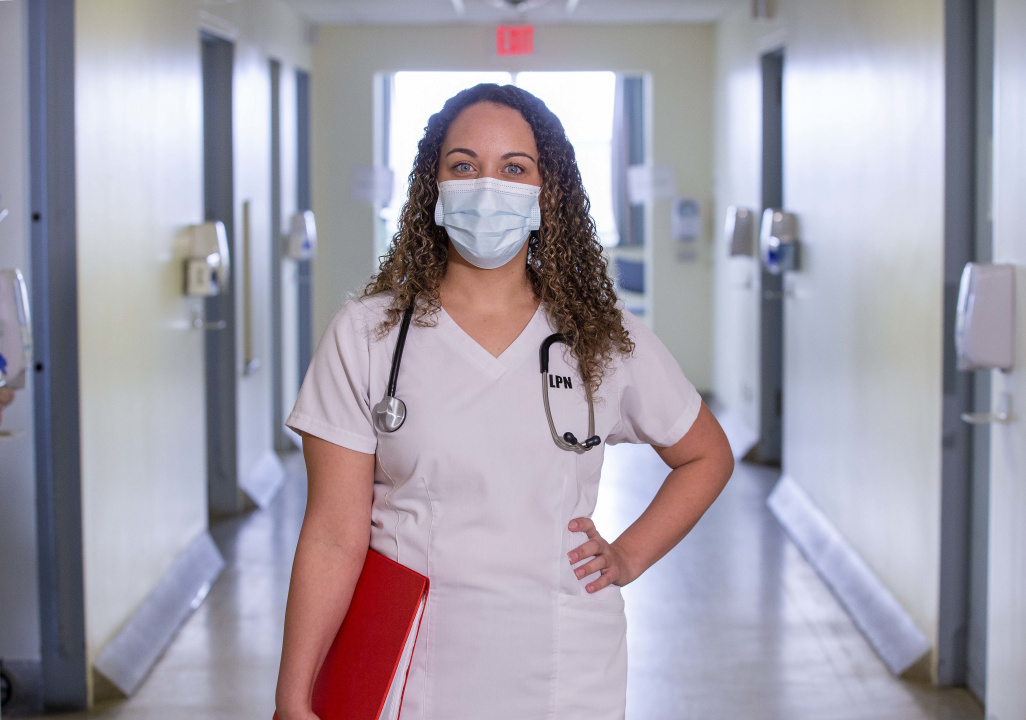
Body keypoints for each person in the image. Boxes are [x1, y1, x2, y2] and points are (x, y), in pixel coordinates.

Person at [275, 83, 734, 720]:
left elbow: (706, 454)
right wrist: (292, 696)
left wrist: (628, 555)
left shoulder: (601, 337)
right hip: (410, 662)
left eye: (514, 168)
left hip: (566, 662)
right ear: (433, 189)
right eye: (464, 166)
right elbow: (331, 535)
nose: (488, 187)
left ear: (547, 195)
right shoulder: (368, 335)